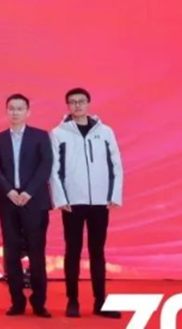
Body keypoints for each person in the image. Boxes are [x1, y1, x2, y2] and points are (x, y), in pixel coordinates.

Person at [50, 88, 124, 319]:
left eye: (81, 101)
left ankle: (100, 301)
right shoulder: (58, 133)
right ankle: (72, 300)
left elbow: (116, 164)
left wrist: (114, 195)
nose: (77, 105)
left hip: (99, 201)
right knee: (72, 251)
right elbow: (54, 170)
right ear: (67, 106)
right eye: (72, 102)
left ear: (88, 103)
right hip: (73, 202)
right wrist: (61, 199)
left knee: (97, 252)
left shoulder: (105, 132)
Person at [0, 93, 54, 318]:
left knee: (36, 253)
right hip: (8, 202)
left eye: (19, 108)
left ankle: (39, 302)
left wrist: (28, 192)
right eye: (11, 108)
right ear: (6, 111)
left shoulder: (40, 136)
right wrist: (9, 192)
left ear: (28, 112)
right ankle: (17, 301)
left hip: (34, 202)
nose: (15, 112)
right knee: (11, 253)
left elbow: (46, 166)